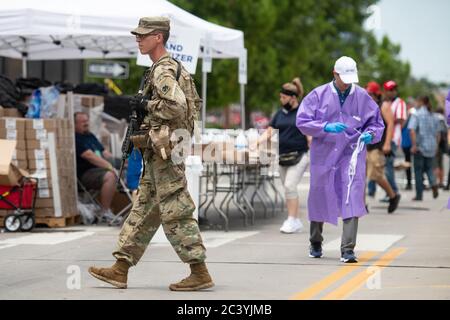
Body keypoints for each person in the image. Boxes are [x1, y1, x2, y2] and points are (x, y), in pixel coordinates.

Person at [89, 17, 214, 291]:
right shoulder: (162, 68)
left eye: (143, 35)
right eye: (137, 35)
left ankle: (199, 270)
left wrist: (146, 105)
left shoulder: (163, 70)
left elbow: (176, 106)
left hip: (166, 153)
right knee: (144, 209)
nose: (138, 39)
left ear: (159, 37)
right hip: (161, 152)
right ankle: (120, 268)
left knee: (175, 209)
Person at [296, 56, 384, 263]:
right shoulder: (318, 95)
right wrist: (324, 127)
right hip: (324, 155)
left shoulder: (362, 97)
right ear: (334, 74)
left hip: (351, 155)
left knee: (352, 196)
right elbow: (302, 121)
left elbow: (376, 123)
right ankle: (315, 242)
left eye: (350, 78)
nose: (347, 83)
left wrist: (370, 134)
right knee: (320, 196)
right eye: (343, 78)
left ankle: (348, 249)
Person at [259, 77, 311, 233]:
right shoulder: (279, 114)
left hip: (300, 155)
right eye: (280, 97)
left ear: (293, 97)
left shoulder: (303, 112)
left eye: (284, 97)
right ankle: (295, 219)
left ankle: (292, 219)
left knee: (290, 186)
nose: (281, 100)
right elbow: (270, 130)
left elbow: (309, 134)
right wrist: (257, 142)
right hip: (282, 157)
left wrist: (313, 146)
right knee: (288, 189)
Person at [75, 112, 121, 224]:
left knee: (126, 169)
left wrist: (122, 162)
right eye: (83, 121)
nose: (86, 123)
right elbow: (89, 156)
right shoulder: (76, 138)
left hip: (99, 170)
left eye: (87, 121)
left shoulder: (90, 136)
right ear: (75, 124)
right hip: (86, 174)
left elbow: (105, 153)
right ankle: (104, 212)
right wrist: (109, 166)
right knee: (110, 175)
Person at [365, 82, 400, 214]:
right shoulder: (368, 106)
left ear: (375, 94)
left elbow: (390, 124)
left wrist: (387, 144)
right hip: (367, 145)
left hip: (378, 145)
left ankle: (393, 196)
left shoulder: (384, 105)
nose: (368, 96)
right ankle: (362, 205)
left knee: (376, 175)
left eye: (370, 93)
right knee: (361, 175)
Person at [408, 96, 439, 201]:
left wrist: (414, 145)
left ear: (421, 101)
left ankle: (419, 195)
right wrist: (436, 146)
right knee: (429, 168)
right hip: (431, 146)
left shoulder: (416, 114)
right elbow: (438, 133)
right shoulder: (434, 115)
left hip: (420, 147)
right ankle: (433, 183)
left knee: (418, 171)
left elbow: (412, 130)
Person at [380, 80, 407, 200]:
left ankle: (394, 192)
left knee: (388, 166)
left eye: (394, 89)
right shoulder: (385, 103)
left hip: (393, 138)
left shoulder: (399, 103)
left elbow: (401, 120)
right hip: (385, 137)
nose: (392, 91)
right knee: (383, 166)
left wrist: (388, 119)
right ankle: (389, 192)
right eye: (390, 89)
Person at [433, 107, 448, 188]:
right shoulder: (444, 120)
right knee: (440, 164)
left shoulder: (436, 119)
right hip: (442, 145)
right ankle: (441, 182)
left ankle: (435, 182)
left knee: (435, 164)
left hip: (436, 145)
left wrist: (436, 146)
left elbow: (437, 134)